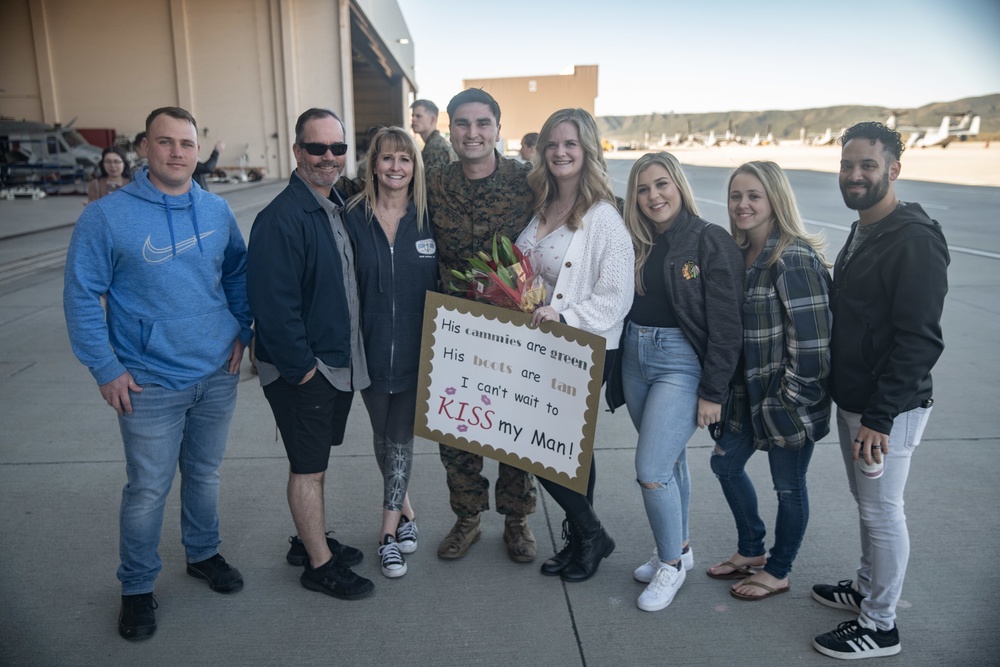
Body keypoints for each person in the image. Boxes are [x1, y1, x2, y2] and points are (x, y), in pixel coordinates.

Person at [63, 106, 253, 641]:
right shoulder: (107, 216)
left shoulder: (216, 211)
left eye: (186, 143)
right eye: (165, 142)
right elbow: (81, 293)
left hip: (216, 371)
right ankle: (137, 587)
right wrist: (105, 366)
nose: (177, 152)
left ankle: (202, 553)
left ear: (198, 150)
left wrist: (243, 329)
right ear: (144, 147)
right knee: (147, 489)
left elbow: (237, 273)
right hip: (148, 382)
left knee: (205, 474)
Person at [811, 122, 949, 660]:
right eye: (847, 165)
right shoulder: (864, 228)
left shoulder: (914, 239)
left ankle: (881, 624)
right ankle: (866, 589)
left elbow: (920, 340)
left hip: (888, 408)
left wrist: (881, 416)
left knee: (883, 510)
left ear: (894, 169)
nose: (855, 175)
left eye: (868, 165)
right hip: (858, 401)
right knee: (867, 506)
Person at [246, 108, 372, 600]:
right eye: (316, 148)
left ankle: (309, 539)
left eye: (337, 148)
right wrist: (303, 373)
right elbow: (274, 309)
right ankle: (319, 565)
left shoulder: (337, 205)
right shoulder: (280, 219)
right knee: (308, 468)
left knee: (316, 461)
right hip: (307, 371)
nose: (328, 157)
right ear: (297, 151)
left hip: (334, 365)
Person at [617, 152, 743, 612]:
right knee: (668, 463)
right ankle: (681, 549)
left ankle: (669, 564)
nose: (653, 196)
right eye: (643, 189)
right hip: (635, 356)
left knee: (650, 470)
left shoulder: (711, 240)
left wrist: (714, 391)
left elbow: (729, 325)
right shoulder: (635, 239)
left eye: (661, 184)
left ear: (679, 186)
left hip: (681, 362)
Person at [516, 108, 634, 581]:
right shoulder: (541, 205)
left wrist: (565, 315)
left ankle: (590, 535)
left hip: (584, 348)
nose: (561, 152)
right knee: (560, 450)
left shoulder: (603, 216)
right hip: (539, 346)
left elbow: (617, 294)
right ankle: (584, 536)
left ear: (587, 151)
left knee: (542, 445)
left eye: (571, 144)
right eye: (553, 144)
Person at [707, 161, 833, 601]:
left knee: (789, 488)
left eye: (753, 196)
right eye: (735, 196)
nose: (742, 205)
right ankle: (751, 550)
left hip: (785, 403)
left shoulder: (793, 258)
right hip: (745, 398)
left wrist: (787, 402)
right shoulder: (740, 256)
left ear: (775, 199)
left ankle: (778, 570)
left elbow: (814, 349)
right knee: (724, 465)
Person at [429, 88, 538, 562]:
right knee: (457, 435)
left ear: (497, 126)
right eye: (461, 124)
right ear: (449, 128)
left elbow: (591, 200)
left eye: (482, 123)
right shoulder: (431, 182)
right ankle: (467, 518)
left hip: (515, 332)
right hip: (453, 330)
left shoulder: (529, 181)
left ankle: (517, 521)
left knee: (514, 431)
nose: (471, 133)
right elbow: (370, 185)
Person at [344, 126, 438, 578]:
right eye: (387, 158)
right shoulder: (353, 217)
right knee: (383, 441)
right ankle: (408, 514)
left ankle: (385, 536)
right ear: (374, 165)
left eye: (404, 159)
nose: (396, 167)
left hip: (420, 353)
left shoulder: (429, 218)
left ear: (414, 166)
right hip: (369, 350)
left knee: (400, 439)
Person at [410, 99, 455, 168]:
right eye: (413, 116)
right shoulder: (435, 143)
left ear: (432, 119)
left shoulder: (436, 148)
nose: (413, 119)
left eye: (418, 116)